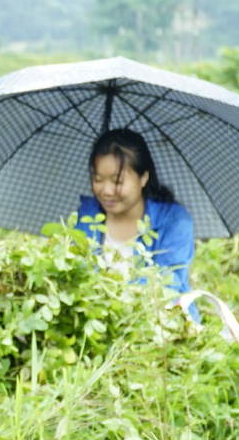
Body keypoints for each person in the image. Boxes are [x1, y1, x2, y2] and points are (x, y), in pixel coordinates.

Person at [78, 128, 196, 314]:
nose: (106, 191)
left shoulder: (174, 221)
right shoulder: (86, 215)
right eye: (98, 179)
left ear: (144, 178)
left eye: (117, 182)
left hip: (160, 323)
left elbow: (168, 286)